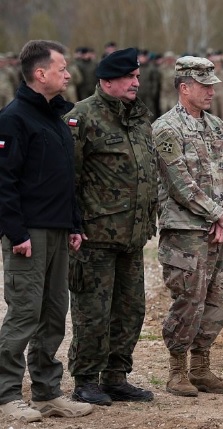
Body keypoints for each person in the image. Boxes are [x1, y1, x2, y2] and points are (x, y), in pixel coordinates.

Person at [0, 39, 93, 423]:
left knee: (55, 314)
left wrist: (74, 224)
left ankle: (47, 392)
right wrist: (16, 232)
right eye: (62, 68)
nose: (68, 74)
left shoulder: (55, 118)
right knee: (24, 314)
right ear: (41, 74)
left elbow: (64, 179)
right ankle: (6, 395)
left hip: (57, 231)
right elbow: (3, 180)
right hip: (30, 235)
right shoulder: (14, 118)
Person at [65, 47, 157, 406]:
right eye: (128, 78)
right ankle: (86, 379)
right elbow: (66, 178)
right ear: (106, 81)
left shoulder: (138, 118)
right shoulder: (82, 118)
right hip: (95, 237)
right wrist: (73, 225)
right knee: (93, 312)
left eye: (137, 77)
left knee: (130, 310)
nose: (136, 82)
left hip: (132, 236)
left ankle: (116, 377)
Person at [153, 56, 223, 397]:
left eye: (212, 86)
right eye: (204, 86)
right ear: (184, 87)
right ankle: (177, 371)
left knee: (220, 299)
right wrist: (217, 214)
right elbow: (179, 183)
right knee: (189, 300)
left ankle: (202, 367)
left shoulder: (218, 127)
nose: (211, 92)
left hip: (220, 229)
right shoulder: (166, 128)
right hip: (186, 232)